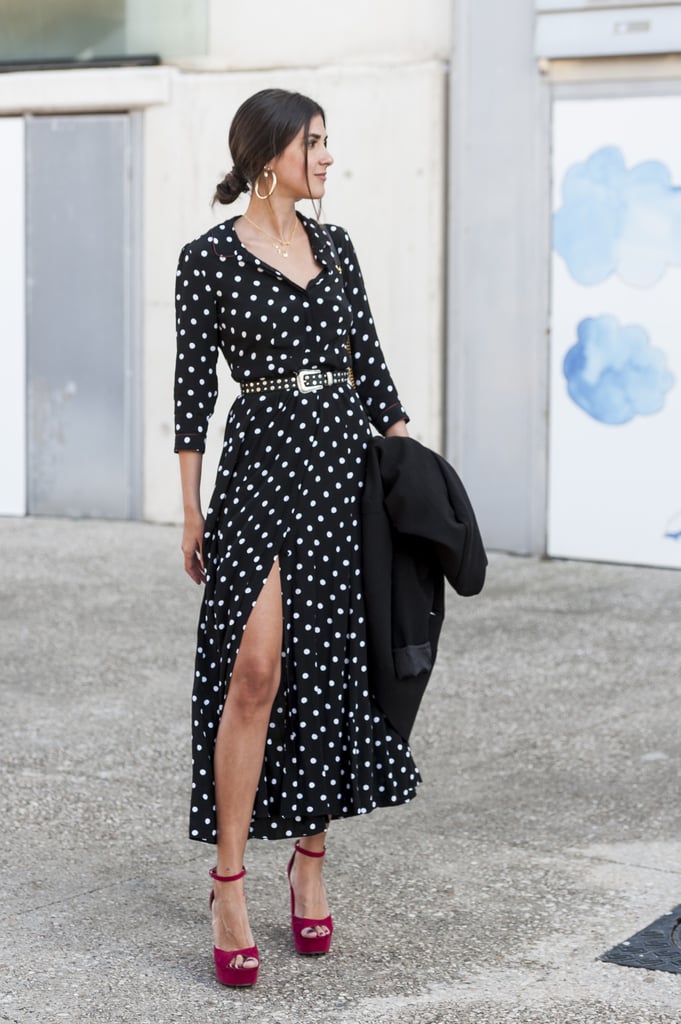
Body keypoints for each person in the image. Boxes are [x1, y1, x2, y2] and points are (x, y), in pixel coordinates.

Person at [174, 88, 418, 988]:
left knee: (328, 671)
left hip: (338, 468)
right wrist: (192, 507)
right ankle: (228, 882)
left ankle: (307, 865)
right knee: (255, 672)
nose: (325, 158)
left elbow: (372, 361)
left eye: (326, 143)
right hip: (260, 471)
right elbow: (192, 390)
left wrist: (409, 468)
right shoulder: (206, 262)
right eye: (313, 144)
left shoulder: (338, 247)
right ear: (269, 152)